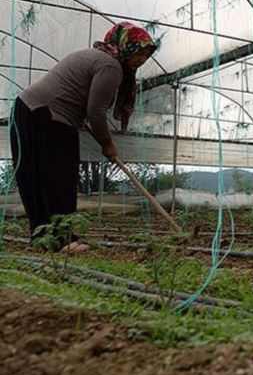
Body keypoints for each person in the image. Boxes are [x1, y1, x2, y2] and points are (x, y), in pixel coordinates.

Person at [11, 21, 156, 252]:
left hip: (28, 109)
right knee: (61, 177)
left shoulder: (95, 56)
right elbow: (96, 112)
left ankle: (43, 237)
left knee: (38, 178)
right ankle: (64, 240)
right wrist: (107, 144)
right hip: (49, 116)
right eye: (139, 53)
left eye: (146, 56)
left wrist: (84, 120)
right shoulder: (111, 66)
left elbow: (80, 100)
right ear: (125, 45)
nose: (142, 60)